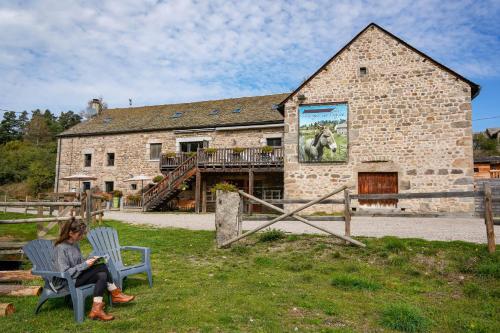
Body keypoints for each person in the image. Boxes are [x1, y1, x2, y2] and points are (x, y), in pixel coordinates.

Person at [52, 218, 135, 321]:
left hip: (76, 276)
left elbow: (79, 263)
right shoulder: (61, 248)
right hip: (65, 282)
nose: (82, 237)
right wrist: (85, 264)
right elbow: (65, 272)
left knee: (102, 274)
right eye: (80, 234)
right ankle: (115, 294)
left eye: (82, 234)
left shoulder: (75, 244)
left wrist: (91, 260)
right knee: (102, 268)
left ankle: (97, 309)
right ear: (70, 233)